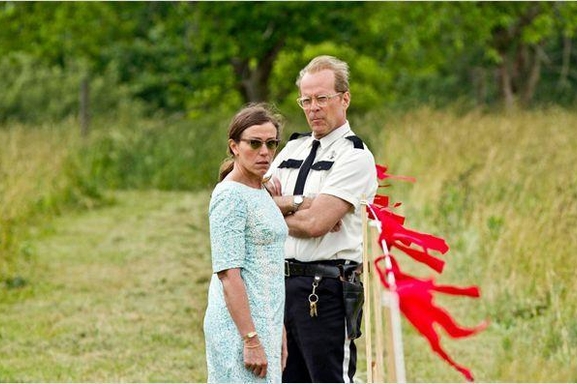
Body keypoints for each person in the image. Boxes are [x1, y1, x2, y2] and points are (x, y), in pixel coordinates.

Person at [266, 55, 378, 383]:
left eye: (322, 98)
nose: (313, 108)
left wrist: (276, 208)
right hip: (280, 285)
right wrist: (302, 202)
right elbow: (254, 204)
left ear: (344, 99)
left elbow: (316, 225)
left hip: (325, 289)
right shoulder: (290, 150)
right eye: (306, 100)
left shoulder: (354, 157)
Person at [203, 103, 288, 383]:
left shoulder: (260, 188)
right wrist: (250, 339)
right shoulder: (229, 196)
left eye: (271, 144)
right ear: (234, 146)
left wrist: (279, 329)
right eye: (255, 143)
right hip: (239, 327)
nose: (265, 152)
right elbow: (229, 274)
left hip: (266, 319)